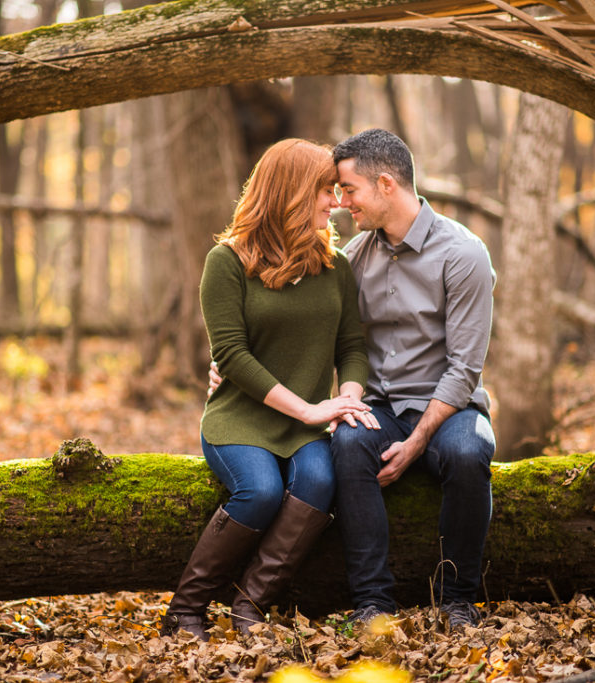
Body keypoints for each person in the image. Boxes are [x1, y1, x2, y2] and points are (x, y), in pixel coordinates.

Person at [160, 138, 378, 641]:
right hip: (240, 418)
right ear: (292, 192)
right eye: (326, 190)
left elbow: (353, 347)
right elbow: (232, 356)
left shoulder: (334, 266)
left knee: (320, 486)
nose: (337, 201)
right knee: (260, 491)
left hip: (306, 423)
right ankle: (185, 608)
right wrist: (307, 409)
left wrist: (346, 397)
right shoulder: (227, 261)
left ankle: (249, 606)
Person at [329, 128, 497, 630]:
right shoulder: (354, 258)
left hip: (450, 409)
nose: (341, 203)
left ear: (385, 184)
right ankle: (373, 604)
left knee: (469, 453)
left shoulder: (464, 254)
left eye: (349, 190)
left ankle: (457, 600)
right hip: (380, 406)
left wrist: (418, 441)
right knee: (345, 444)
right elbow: (319, 329)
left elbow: (465, 368)